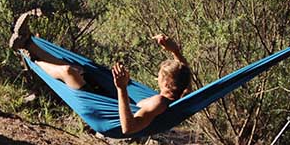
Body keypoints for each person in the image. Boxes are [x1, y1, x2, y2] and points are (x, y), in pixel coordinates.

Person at [10, 10, 192, 135]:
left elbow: (128, 129)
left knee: (69, 72)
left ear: (167, 83)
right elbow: (185, 77)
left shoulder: (159, 103)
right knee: (82, 70)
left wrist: (122, 88)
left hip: (103, 115)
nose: (157, 77)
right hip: (107, 100)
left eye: (160, 75)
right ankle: (28, 43)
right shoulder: (180, 98)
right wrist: (175, 51)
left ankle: (30, 57)